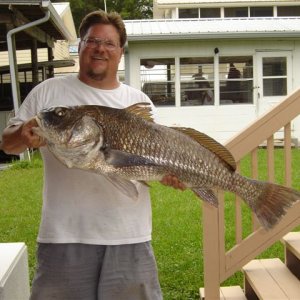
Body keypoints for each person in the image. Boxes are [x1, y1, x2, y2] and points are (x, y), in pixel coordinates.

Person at [1, 10, 184, 300]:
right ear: (80, 46)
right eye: (92, 40)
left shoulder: (139, 102)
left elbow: (156, 162)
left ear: (120, 52)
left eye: (109, 43)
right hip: (63, 237)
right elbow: (7, 143)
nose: (100, 48)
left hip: (129, 235)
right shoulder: (48, 94)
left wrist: (173, 176)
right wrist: (22, 134)